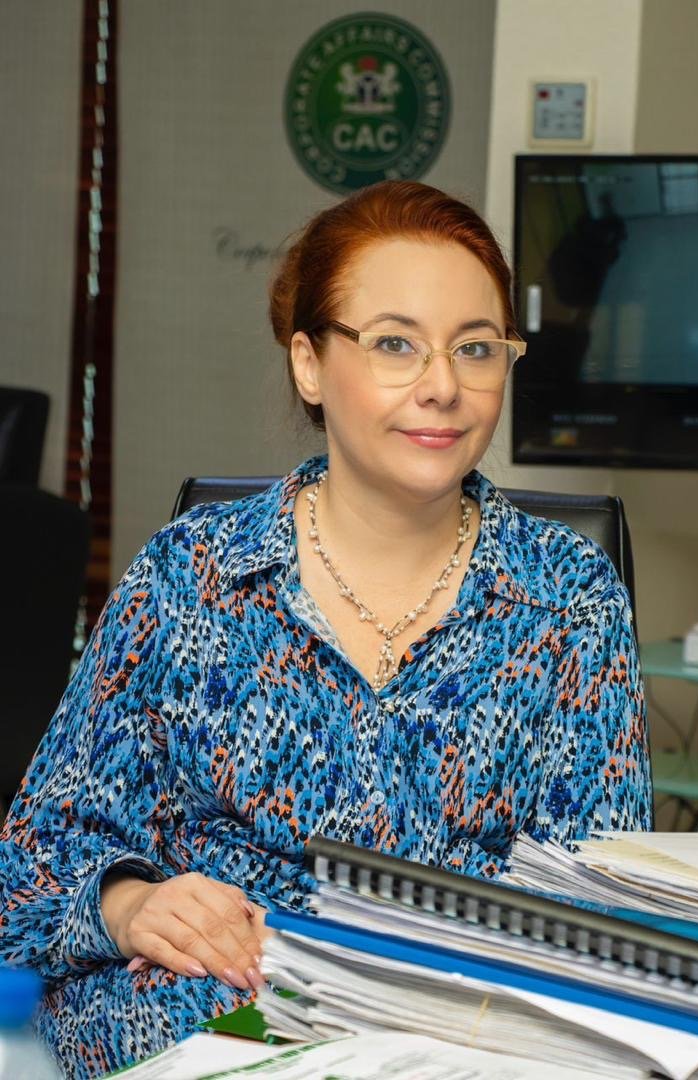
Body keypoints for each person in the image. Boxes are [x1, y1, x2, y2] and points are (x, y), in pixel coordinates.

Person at [0, 180, 652, 1078]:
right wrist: (127, 906)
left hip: (452, 1038)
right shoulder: (193, 575)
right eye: (394, 344)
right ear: (308, 364)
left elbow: (602, 908)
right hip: (194, 1023)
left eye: (475, 348)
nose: (442, 387)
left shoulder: (567, 596)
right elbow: (29, 865)